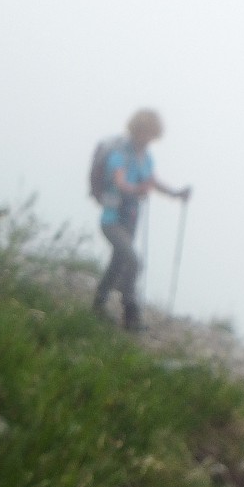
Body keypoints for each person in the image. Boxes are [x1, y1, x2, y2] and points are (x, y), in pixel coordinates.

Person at [93, 108, 191, 331]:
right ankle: (131, 314)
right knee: (133, 261)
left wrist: (176, 193)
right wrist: (137, 190)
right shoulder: (119, 154)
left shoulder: (145, 157)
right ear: (137, 130)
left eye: (152, 135)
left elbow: (152, 181)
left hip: (129, 220)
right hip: (111, 220)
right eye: (146, 133)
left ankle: (98, 304)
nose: (149, 139)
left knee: (118, 262)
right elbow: (119, 182)